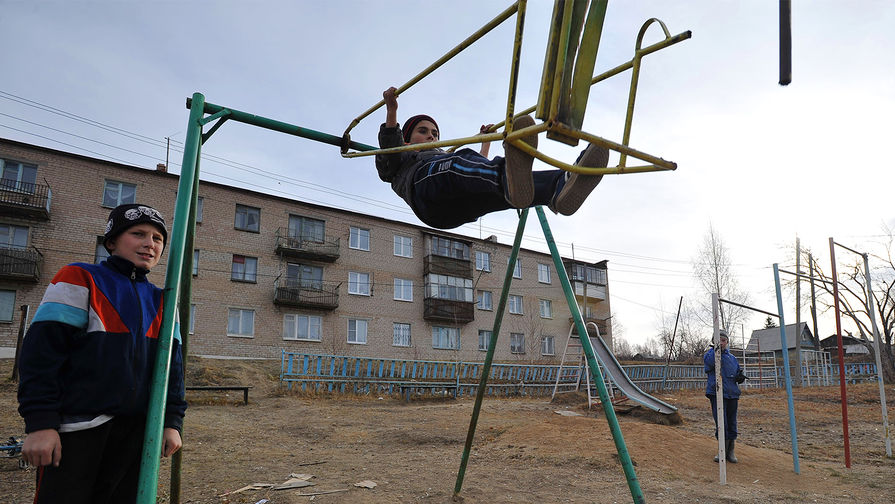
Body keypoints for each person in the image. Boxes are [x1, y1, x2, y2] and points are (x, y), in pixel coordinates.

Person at [17, 203, 187, 503]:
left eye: (158, 238)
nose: (150, 244)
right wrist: (41, 424)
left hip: (137, 435)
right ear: (111, 241)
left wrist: (172, 422)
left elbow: (173, 370)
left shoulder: (164, 300)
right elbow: (42, 357)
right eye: (138, 234)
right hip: (76, 431)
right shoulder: (79, 278)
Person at [376, 86, 609, 229]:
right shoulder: (403, 159)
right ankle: (506, 177)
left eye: (435, 134)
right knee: (461, 162)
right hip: (425, 194)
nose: (431, 136)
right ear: (407, 139)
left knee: (497, 192)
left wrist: (485, 143)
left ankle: (557, 187)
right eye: (423, 131)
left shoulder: (441, 157)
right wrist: (391, 110)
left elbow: (473, 170)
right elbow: (390, 146)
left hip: (455, 212)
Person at [704, 328, 747, 463]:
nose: (721, 343)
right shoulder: (710, 355)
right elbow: (709, 364)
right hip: (717, 393)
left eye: (723, 340)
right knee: (721, 423)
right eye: (718, 340)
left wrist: (739, 377)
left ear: (727, 342)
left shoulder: (732, 358)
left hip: (732, 393)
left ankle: (730, 450)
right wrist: (717, 350)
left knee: (732, 422)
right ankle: (721, 449)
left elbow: (736, 371)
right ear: (713, 341)